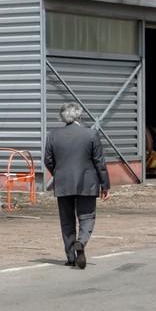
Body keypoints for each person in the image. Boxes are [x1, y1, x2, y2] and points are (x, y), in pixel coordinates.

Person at [44, 102, 110, 268]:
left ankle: (71, 257)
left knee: (66, 220)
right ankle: (81, 241)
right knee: (87, 216)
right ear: (79, 116)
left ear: (62, 117)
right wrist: (105, 185)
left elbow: (48, 160)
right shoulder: (91, 134)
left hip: (63, 183)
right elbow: (99, 162)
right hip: (87, 183)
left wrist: (58, 173)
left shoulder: (53, 135)